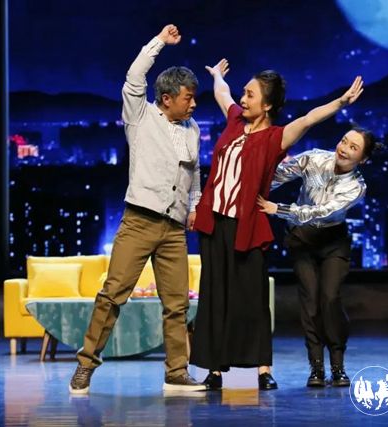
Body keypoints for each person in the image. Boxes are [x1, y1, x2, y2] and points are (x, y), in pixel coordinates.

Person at [191, 57, 364, 390]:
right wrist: (216, 76)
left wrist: (340, 102)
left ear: (267, 104)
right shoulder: (233, 120)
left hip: (247, 225)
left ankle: (262, 369)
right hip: (215, 223)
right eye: (244, 93)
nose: (243, 99)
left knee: (252, 298)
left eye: (250, 95)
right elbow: (223, 94)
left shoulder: (275, 138)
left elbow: (309, 118)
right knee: (214, 295)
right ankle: (214, 370)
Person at [69, 24, 206, 394]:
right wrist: (160, 42)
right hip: (140, 221)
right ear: (167, 98)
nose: (194, 104)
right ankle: (85, 364)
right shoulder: (140, 116)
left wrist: (194, 206)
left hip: (174, 228)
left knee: (177, 304)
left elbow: (193, 172)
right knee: (113, 294)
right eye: (188, 98)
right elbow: (134, 76)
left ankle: (176, 372)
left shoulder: (192, 129)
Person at [257, 127, 383, 388]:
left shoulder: (356, 187)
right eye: (343, 141)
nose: (344, 149)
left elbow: (322, 211)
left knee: (330, 297)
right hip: (302, 239)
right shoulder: (314, 158)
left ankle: (338, 365)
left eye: (353, 148)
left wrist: (278, 209)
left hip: (332, 241)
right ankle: (316, 367)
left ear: (363, 159)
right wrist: (252, 188)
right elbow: (278, 175)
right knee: (310, 301)